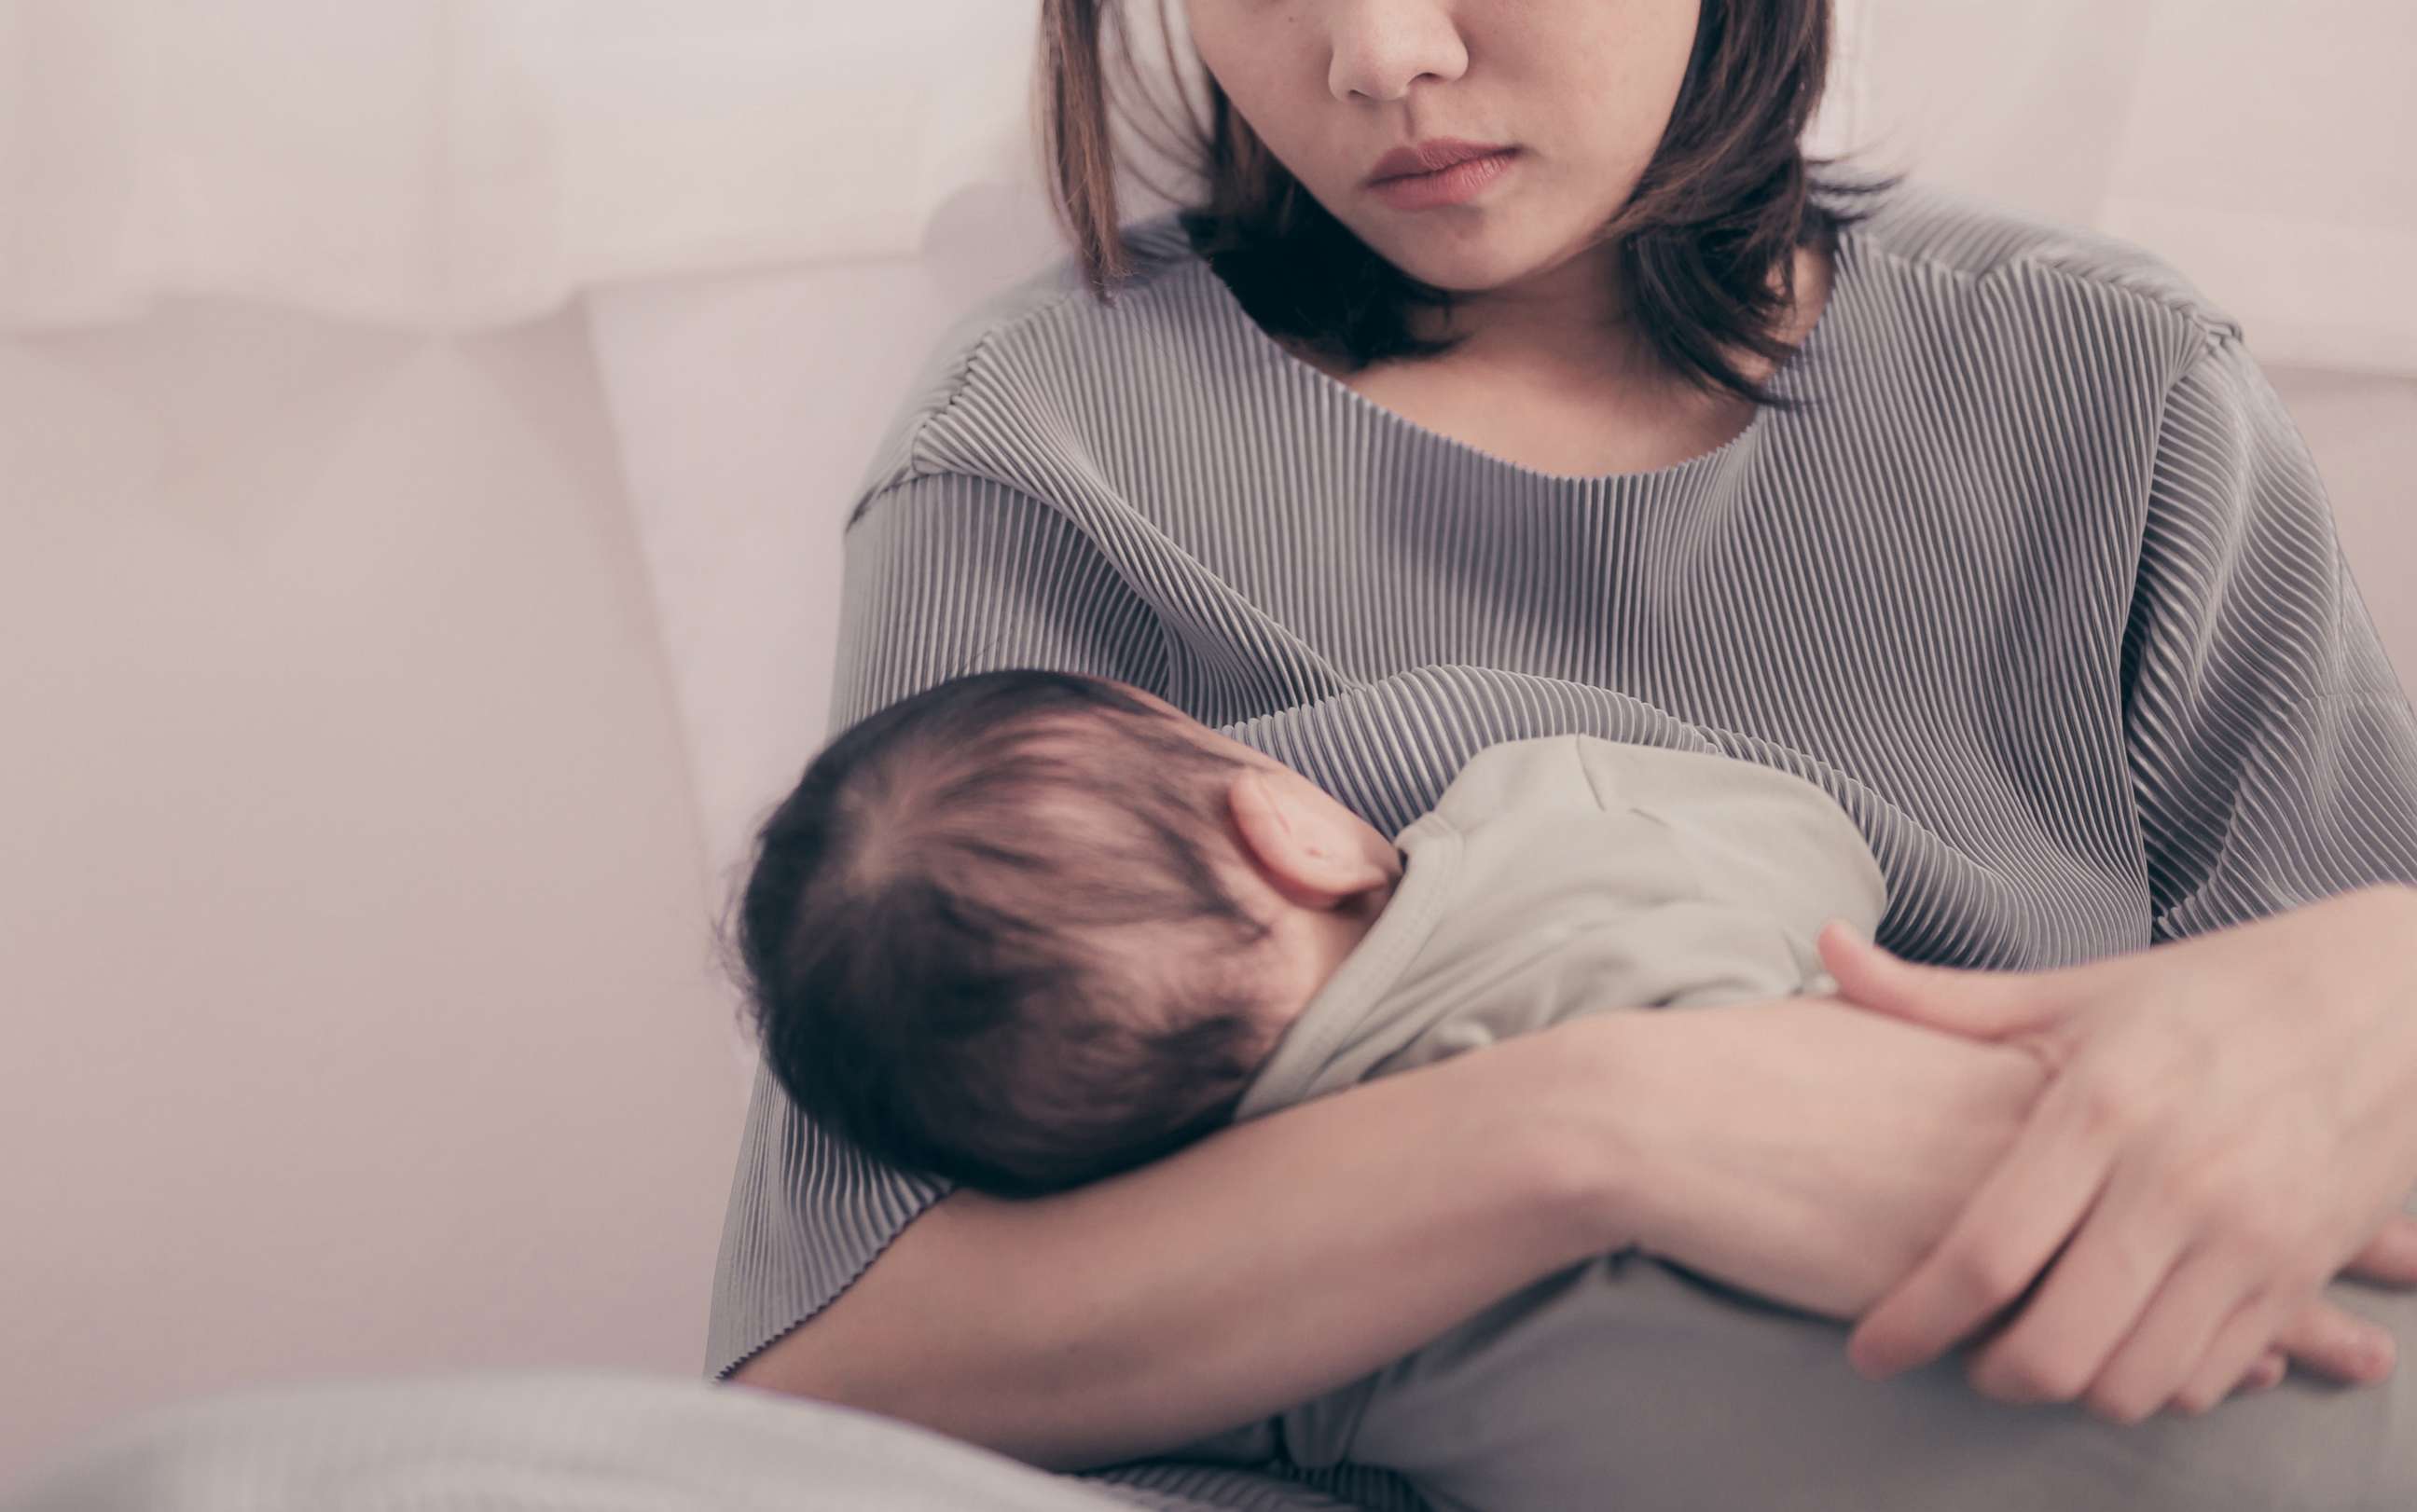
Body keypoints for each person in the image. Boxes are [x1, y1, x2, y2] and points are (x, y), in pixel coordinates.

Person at [708, 2, 2417, 1508]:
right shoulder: (1041, 446)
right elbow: (835, 1351)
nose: (1380, 52)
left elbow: (2348, 1046)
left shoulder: (2106, 376)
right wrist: (1601, 1126)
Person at [727, 669, 2417, 1511]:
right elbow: (1804, 835)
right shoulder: (1554, 827)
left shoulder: (1295, 1344)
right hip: (2284, 1324)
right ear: (1293, 824)